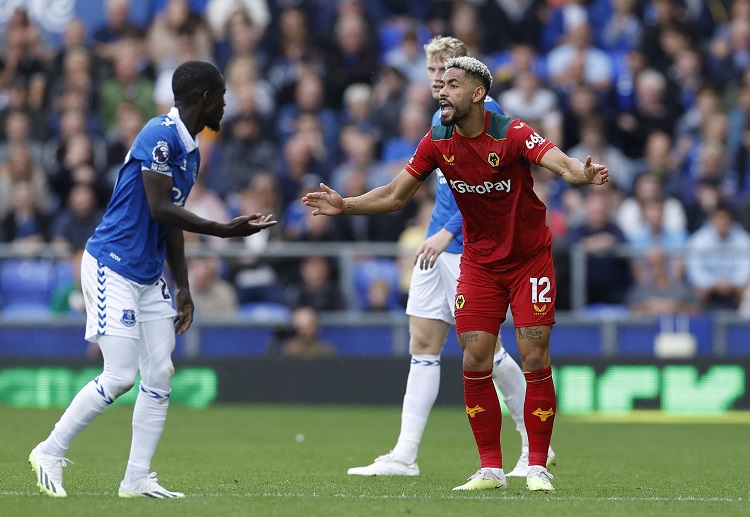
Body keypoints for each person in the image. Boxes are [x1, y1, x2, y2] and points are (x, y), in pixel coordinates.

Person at [303, 56, 608, 492]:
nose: (441, 91)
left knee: (534, 355)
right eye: (439, 84)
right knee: (474, 358)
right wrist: (346, 204)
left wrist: (584, 174)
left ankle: (537, 465)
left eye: (452, 84)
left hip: (527, 262)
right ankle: (490, 469)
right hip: (480, 264)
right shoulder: (438, 138)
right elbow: (394, 195)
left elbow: (560, 164)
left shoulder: (512, 132)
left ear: (478, 93)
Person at [28, 61, 276, 499]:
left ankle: (136, 478)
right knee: (121, 374)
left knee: (160, 371)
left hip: (147, 274)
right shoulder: (159, 135)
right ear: (204, 98)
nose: (225, 103)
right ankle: (49, 450)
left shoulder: (191, 148)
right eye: (220, 95)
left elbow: (169, 223)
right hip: (112, 265)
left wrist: (182, 285)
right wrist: (223, 230)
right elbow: (160, 207)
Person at [346, 36, 553, 480]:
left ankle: (533, 446)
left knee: (486, 351)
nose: (438, 80)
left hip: (468, 248)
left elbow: (488, 188)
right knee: (423, 345)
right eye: (432, 71)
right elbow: (428, 183)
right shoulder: (441, 117)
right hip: (434, 246)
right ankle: (405, 454)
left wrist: (446, 230)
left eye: (444, 70)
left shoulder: (484, 111)